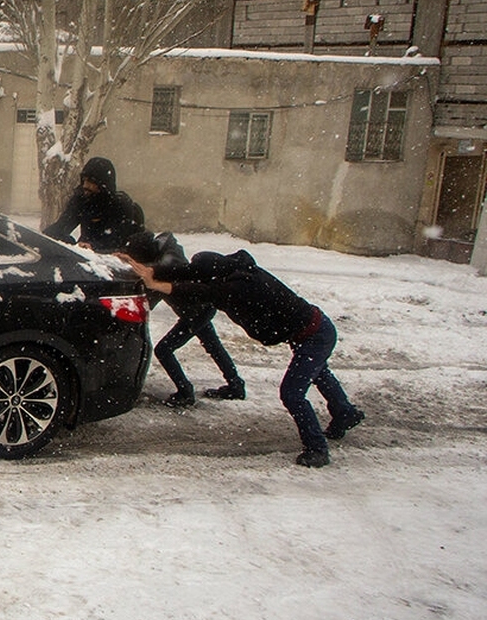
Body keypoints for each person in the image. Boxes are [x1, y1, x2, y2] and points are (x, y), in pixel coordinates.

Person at [121, 248, 364, 468]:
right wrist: (153, 270)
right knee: (317, 372)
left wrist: (162, 285)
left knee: (292, 392)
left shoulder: (241, 286)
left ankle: (317, 449)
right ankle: (345, 412)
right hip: (312, 331)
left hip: (315, 335)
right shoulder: (232, 269)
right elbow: (192, 272)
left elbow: (205, 291)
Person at [121, 231, 245, 408]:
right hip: (201, 308)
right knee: (212, 344)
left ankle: (185, 391)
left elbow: (148, 297)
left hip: (196, 312)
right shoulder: (167, 252)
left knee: (164, 350)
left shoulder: (166, 266)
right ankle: (235, 384)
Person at [43, 156, 145, 254]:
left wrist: (93, 247)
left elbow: (118, 242)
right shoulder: (82, 200)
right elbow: (62, 226)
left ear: (103, 184)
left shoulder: (121, 206)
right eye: (84, 180)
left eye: (91, 181)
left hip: (114, 263)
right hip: (85, 257)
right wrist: (44, 237)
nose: (86, 185)